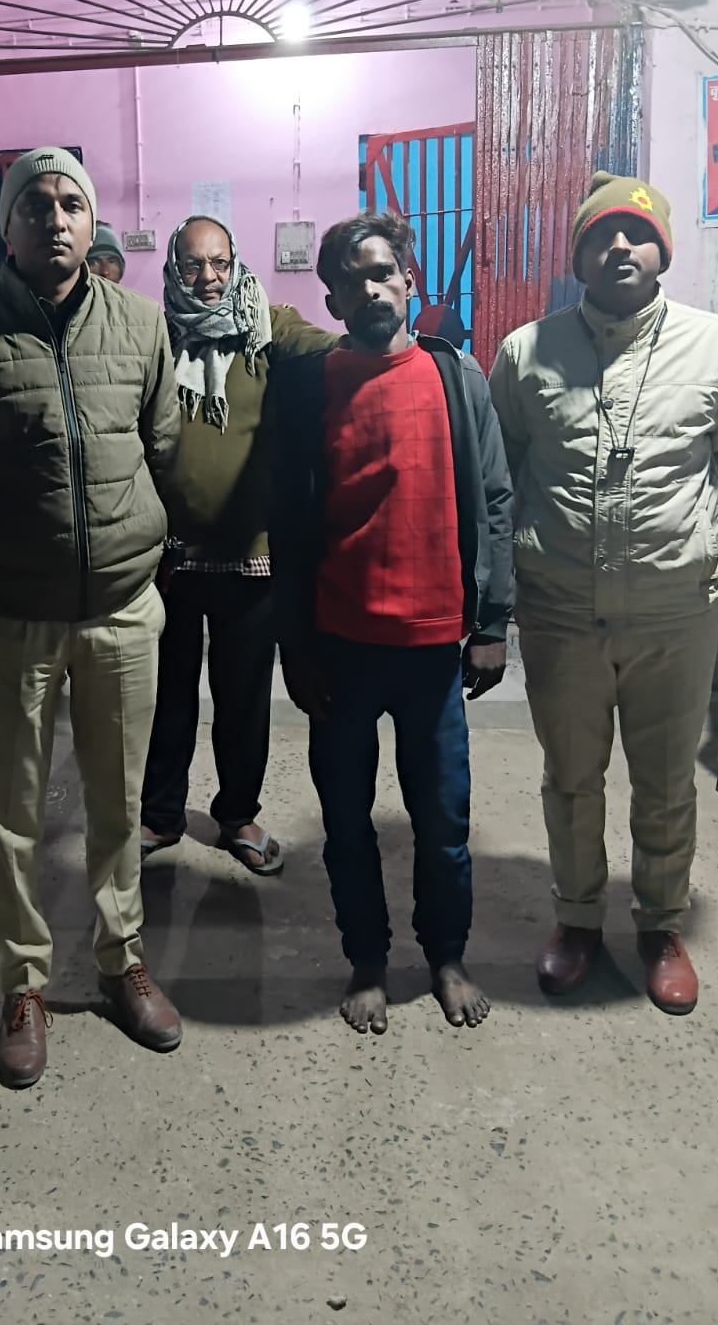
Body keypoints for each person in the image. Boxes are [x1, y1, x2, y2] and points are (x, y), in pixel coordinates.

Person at [0, 147, 182, 1090]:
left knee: (119, 802)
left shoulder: (141, 325)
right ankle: (22, 985)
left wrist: (133, 542)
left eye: (71, 203)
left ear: (90, 220)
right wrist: (1, 546)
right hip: (14, 612)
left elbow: (162, 443)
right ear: (7, 226)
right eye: (35, 204)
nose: (55, 219)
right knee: (15, 812)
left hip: (122, 608)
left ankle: (121, 959)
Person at [489, 172, 718, 1015]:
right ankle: (576, 919)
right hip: (561, 610)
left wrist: (688, 537)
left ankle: (659, 925)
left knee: (667, 781)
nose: (619, 246)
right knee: (571, 778)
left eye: (637, 234)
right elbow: (506, 468)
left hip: (675, 612)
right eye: (600, 234)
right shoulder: (525, 353)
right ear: (577, 255)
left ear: (662, 252)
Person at [272, 211, 513, 1034]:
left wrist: (492, 622)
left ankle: (446, 956)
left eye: (383, 272)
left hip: (434, 650)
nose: (371, 288)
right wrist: (295, 646)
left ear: (409, 280)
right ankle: (368, 960)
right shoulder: (309, 387)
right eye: (352, 279)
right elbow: (288, 519)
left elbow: (495, 498)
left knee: (443, 824)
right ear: (333, 300)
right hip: (340, 645)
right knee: (346, 823)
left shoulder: (456, 376)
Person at [140, 216, 336, 875]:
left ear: (236, 263)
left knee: (244, 697)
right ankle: (160, 815)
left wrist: (385, 345)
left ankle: (237, 815)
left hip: (251, 554)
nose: (209, 278)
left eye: (219, 262)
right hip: (168, 559)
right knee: (167, 697)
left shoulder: (268, 326)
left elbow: (329, 350)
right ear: (174, 270)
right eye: (193, 265)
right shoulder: (154, 335)